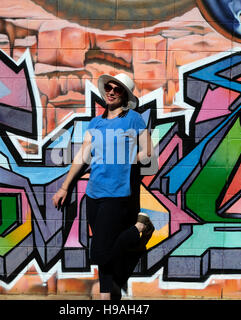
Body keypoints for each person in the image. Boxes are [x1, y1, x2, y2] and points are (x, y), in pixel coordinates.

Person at [52, 73, 155, 300]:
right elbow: (83, 154)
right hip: (94, 192)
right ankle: (106, 297)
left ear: (124, 95)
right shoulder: (95, 122)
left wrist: (127, 157)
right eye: (108, 88)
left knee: (102, 250)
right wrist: (65, 186)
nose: (110, 92)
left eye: (117, 89)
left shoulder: (133, 119)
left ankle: (140, 227)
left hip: (119, 192)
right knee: (101, 248)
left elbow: (148, 152)